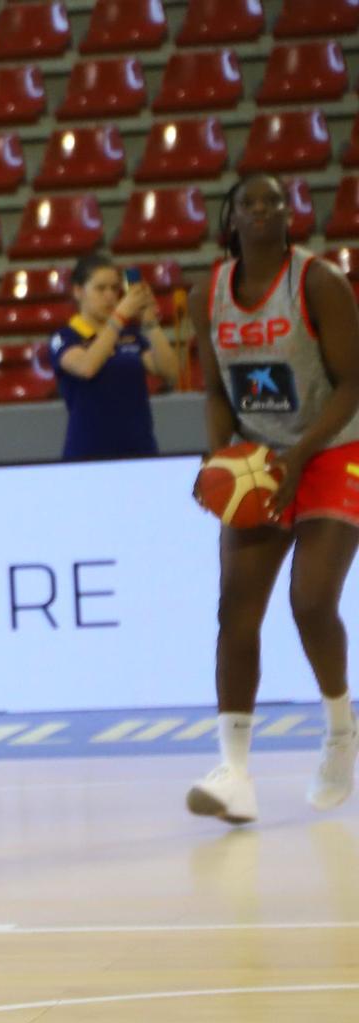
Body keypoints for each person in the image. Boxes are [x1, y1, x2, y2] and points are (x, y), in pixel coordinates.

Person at [186, 174, 359, 822]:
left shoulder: (318, 283)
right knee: (236, 610)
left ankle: (342, 730)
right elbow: (215, 392)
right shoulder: (209, 293)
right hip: (257, 458)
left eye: (274, 203)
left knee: (311, 602)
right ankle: (233, 772)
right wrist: (214, 457)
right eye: (249, 204)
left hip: (335, 447)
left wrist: (300, 454)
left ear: (290, 216)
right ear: (230, 219)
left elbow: (352, 383)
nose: (262, 211)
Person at [48, 254, 180, 462]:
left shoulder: (131, 336)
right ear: (78, 291)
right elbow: (86, 367)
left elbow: (170, 371)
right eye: (101, 289)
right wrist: (120, 316)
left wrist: (151, 324)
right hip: (87, 455)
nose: (110, 296)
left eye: (114, 288)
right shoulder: (65, 337)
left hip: (140, 452)